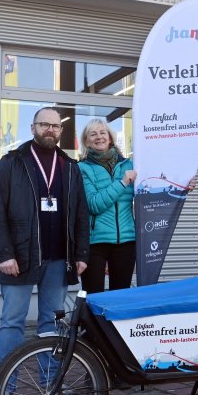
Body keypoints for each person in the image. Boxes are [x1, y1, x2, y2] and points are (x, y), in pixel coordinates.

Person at [0, 107, 90, 373]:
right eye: (44, 125)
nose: (50, 130)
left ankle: (51, 384)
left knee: (51, 324)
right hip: (18, 258)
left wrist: (81, 254)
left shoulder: (69, 167)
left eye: (55, 126)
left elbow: (80, 213)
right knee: (12, 322)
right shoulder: (12, 162)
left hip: (58, 259)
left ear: (61, 131)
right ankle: (5, 387)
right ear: (33, 128)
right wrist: (4, 254)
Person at [78, 118, 138, 293]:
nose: (99, 137)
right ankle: (91, 322)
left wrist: (182, 186)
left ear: (110, 138)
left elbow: (150, 189)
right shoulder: (82, 168)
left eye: (102, 132)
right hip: (95, 242)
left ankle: (113, 323)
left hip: (126, 240)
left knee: (120, 296)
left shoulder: (129, 164)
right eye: (93, 134)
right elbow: (94, 204)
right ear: (86, 141)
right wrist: (123, 182)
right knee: (93, 296)